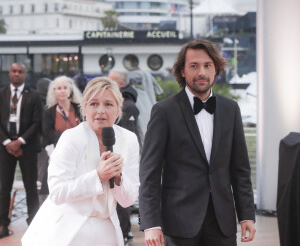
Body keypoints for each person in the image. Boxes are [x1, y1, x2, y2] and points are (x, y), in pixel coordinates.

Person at [139, 38, 256, 246]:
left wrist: (247, 215)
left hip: (222, 222)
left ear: (216, 70)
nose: (201, 72)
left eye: (207, 65)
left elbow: (240, 169)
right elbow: (150, 172)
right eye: (194, 66)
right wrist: (151, 224)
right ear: (182, 71)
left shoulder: (231, 109)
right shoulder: (164, 111)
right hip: (178, 222)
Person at [22, 77, 140, 246]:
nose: (101, 111)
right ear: (84, 108)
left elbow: (129, 200)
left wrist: (119, 177)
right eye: (93, 104)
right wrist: (98, 176)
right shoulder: (71, 138)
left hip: (107, 230)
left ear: (118, 109)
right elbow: (57, 193)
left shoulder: (129, 139)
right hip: (67, 230)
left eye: (108, 104)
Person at [0, 63, 42, 238]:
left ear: (25, 74)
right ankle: (3, 224)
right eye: (14, 71)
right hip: (4, 147)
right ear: (9, 73)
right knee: (4, 187)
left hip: (28, 147)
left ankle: (33, 223)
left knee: (31, 187)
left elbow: (37, 122)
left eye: (20, 72)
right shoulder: (1, 94)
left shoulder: (34, 95)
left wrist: (20, 142)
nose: (16, 74)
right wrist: (8, 142)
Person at [109, 70, 140, 243]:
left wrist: (122, 161)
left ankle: (124, 231)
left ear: (120, 84)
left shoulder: (128, 106)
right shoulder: (123, 103)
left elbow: (129, 135)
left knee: (122, 195)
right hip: (114, 156)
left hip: (123, 158)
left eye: (110, 80)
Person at [40, 76, 82, 196]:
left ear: (70, 91)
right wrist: (68, 137)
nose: (62, 91)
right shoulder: (49, 112)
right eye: (59, 88)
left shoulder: (80, 109)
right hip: (59, 153)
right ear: (54, 92)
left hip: (79, 152)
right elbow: (48, 132)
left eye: (65, 88)